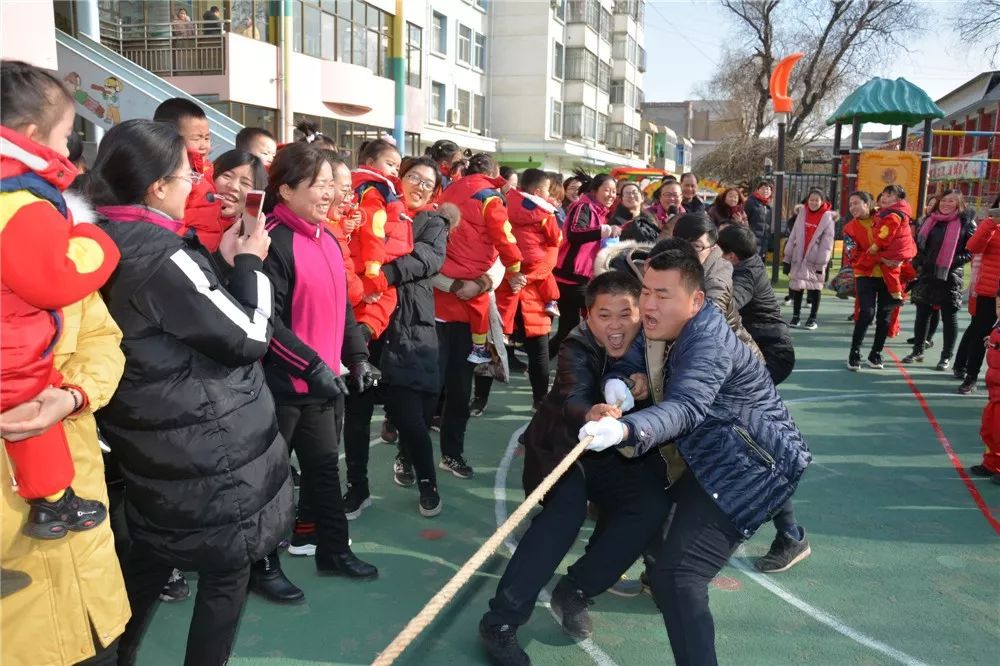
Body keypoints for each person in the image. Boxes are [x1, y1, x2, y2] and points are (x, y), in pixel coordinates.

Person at [88, 119, 292, 666]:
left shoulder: (96, 238)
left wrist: (220, 265)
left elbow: (176, 320)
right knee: (227, 570)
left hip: (149, 441)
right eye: (187, 175)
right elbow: (249, 337)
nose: (195, 185)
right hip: (208, 447)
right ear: (156, 186)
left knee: (146, 561)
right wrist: (251, 260)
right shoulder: (159, 250)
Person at [580, 246, 811, 666]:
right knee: (656, 525)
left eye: (663, 294)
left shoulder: (707, 340)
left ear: (696, 301)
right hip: (711, 457)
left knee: (679, 575)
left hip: (750, 466)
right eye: (646, 291)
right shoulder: (663, 326)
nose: (649, 304)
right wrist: (618, 383)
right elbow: (634, 355)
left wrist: (626, 429)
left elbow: (687, 407)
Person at [1, 61, 129, 666]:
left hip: (85, 561)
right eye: (62, 139)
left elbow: (103, 340)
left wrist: (72, 395)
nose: (70, 158)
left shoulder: (57, 229)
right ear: (28, 135)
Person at [479, 271, 673, 666]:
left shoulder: (656, 345)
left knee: (650, 505)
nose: (615, 326)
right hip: (562, 451)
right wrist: (593, 411)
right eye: (604, 315)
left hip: (618, 457)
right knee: (563, 517)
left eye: (626, 314)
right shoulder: (576, 344)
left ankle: (576, 589)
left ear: (642, 313)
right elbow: (573, 392)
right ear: (587, 315)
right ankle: (501, 621)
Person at [255, 144, 379, 603]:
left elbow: (342, 308)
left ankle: (332, 549)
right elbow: (269, 323)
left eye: (332, 184)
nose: (329, 194)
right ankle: (262, 564)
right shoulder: (271, 240)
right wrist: (311, 367)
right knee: (271, 480)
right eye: (319, 185)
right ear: (285, 189)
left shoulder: (325, 237)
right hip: (283, 386)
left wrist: (359, 357)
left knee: (326, 471)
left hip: (322, 383)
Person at [716, 225, 811, 572]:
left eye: (707, 248)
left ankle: (790, 533)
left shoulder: (742, 273)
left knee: (755, 445)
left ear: (727, 254)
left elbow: (721, 304)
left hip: (767, 357)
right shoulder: (735, 265)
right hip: (749, 357)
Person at [374, 156, 452, 516]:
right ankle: (421, 479)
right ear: (399, 179)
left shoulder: (433, 222)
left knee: (416, 412)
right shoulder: (376, 210)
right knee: (397, 413)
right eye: (413, 178)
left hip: (413, 324)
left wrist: (384, 275)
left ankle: (419, 471)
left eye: (427, 183)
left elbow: (428, 259)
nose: (418, 186)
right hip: (373, 322)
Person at [438, 153, 523, 365]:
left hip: (442, 273)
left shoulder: (447, 189)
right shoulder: (489, 197)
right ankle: (479, 348)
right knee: (479, 309)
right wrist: (514, 268)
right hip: (475, 270)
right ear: (494, 173)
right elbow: (503, 236)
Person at [488, 169, 561, 411]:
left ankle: (479, 399)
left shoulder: (502, 206)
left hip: (505, 283)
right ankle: (540, 400)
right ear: (540, 191)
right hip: (533, 288)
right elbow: (552, 253)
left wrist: (512, 275)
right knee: (538, 351)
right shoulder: (546, 215)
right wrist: (529, 277)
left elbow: (493, 244)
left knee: (491, 345)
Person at [902, 190, 977, 370]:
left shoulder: (965, 223)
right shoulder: (930, 220)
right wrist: (919, 263)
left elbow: (971, 251)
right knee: (922, 315)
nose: (946, 204)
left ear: (959, 204)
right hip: (927, 275)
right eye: (944, 200)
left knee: (949, 316)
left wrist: (952, 262)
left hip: (950, 276)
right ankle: (918, 349)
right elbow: (919, 246)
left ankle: (946, 356)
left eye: (951, 201)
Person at [550, 172, 619, 355]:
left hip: (583, 277)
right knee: (574, 326)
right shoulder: (584, 206)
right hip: (570, 277)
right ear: (595, 190)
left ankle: (549, 358)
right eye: (607, 190)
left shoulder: (599, 210)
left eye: (614, 191)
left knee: (574, 326)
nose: (612, 195)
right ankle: (549, 360)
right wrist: (603, 231)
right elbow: (575, 232)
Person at [153, 98, 225, 250]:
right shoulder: (170, 179)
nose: (204, 145)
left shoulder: (207, 170)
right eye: (196, 138)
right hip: (189, 253)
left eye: (207, 138)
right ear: (169, 138)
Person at [843, 192, 901, 370]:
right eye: (850, 204)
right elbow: (852, 255)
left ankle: (876, 354)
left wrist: (899, 257)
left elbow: (899, 240)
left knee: (884, 317)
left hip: (888, 276)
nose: (852, 207)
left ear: (868, 204)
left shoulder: (886, 218)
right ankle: (854, 352)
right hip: (865, 275)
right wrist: (881, 258)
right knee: (866, 313)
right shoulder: (849, 229)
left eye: (856, 203)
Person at [955, 208, 999, 394]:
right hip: (989, 292)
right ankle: (971, 376)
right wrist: (991, 222)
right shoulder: (991, 225)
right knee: (981, 335)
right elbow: (973, 247)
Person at [782, 188, 835, 330]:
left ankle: (812, 318)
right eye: (811, 199)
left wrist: (822, 262)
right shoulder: (802, 213)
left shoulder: (827, 217)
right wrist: (787, 257)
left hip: (815, 259)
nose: (813, 202)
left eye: (816, 200)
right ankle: (796, 316)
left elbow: (827, 243)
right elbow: (793, 235)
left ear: (822, 201)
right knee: (797, 287)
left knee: (815, 288)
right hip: (798, 256)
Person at [862, 185, 916, 304]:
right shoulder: (894, 212)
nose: (884, 198)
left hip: (895, 250)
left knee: (890, 271)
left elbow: (885, 234)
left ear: (898, 200)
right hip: (903, 248)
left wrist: (876, 246)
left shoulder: (892, 215)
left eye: (889, 196)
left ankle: (896, 296)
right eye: (884, 195)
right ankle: (912, 278)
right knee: (902, 268)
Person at [969, 317, 1000, 483]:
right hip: (995, 389)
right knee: (989, 430)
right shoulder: (997, 326)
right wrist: (992, 342)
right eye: (998, 306)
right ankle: (991, 464)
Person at [744, 179, 773, 258]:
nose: (765, 191)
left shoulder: (768, 205)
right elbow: (745, 219)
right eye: (763, 188)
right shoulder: (751, 202)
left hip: (763, 241)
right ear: (758, 190)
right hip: (752, 239)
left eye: (768, 189)